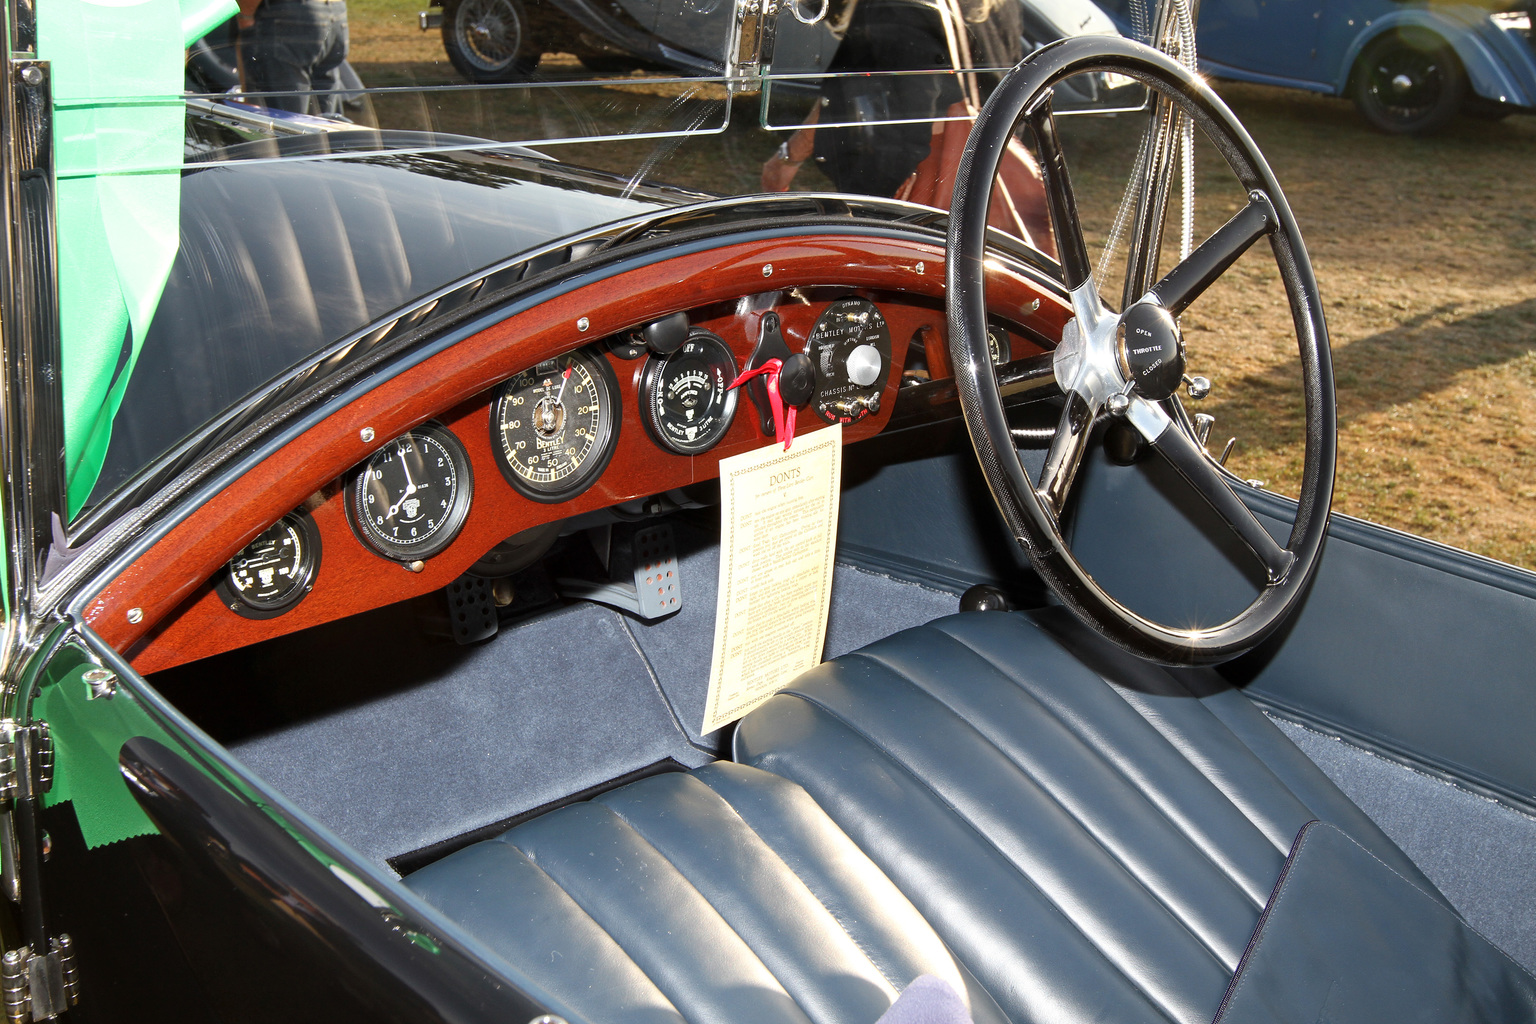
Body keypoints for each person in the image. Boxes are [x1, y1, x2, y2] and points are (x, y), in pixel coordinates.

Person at [236, 0, 349, 116]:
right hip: (336, 11)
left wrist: (245, 16)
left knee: (286, 122)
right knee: (326, 122)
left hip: (289, 15)